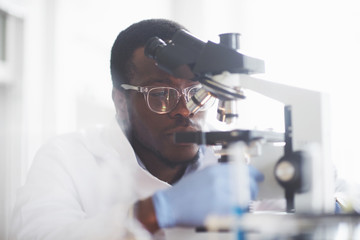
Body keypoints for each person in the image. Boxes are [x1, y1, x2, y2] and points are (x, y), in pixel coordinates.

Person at [10, 19, 264, 240]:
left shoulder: (233, 154)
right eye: (161, 94)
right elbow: (39, 235)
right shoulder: (65, 158)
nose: (185, 110)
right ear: (121, 102)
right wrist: (154, 212)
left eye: (196, 93)